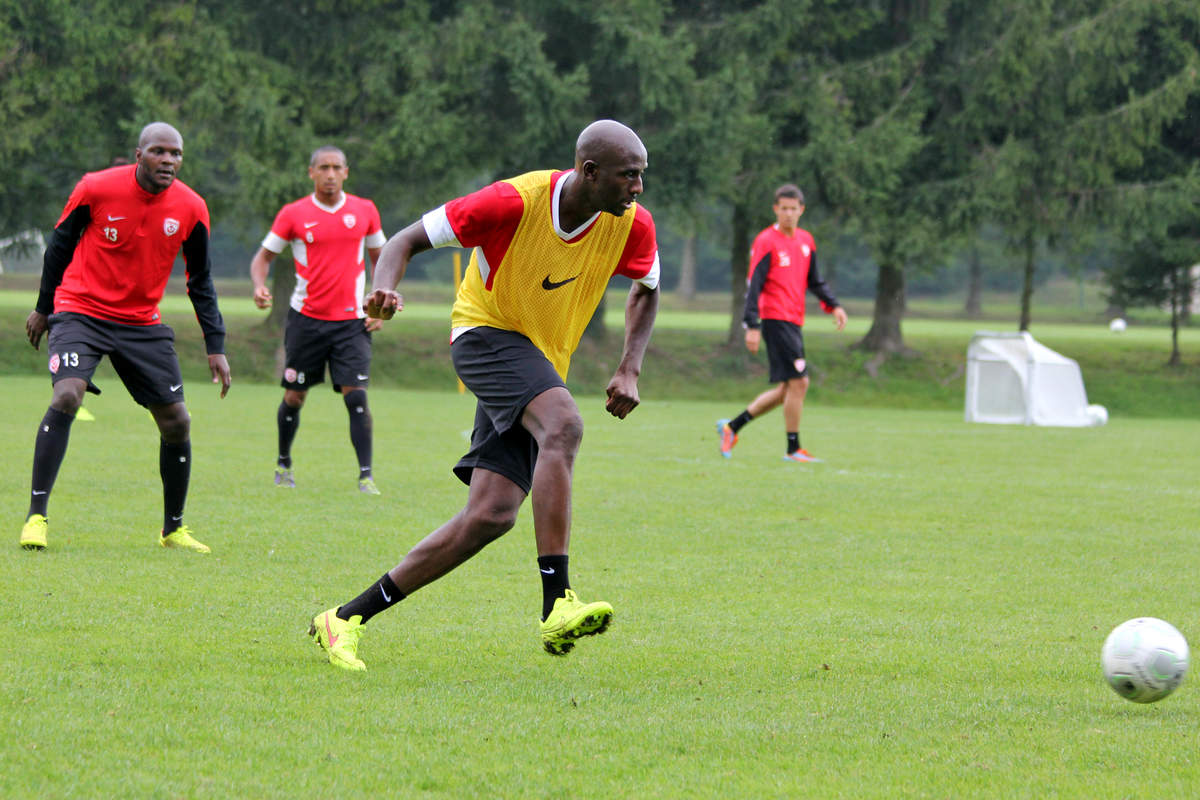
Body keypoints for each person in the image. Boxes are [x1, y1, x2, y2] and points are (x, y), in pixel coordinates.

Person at [307, 119, 661, 671]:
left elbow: (647, 289)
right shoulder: (510, 203)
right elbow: (405, 240)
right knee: (563, 425)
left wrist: (630, 368)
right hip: (482, 336)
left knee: (491, 514)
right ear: (589, 173)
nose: (638, 187)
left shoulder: (632, 225)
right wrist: (384, 286)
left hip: (539, 360)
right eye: (629, 176)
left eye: (642, 175)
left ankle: (344, 618)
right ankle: (558, 602)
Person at [20, 122, 232, 552]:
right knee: (67, 396)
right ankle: (36, 518)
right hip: (81, 309)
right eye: (159, 152)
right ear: (138, 154)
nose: (168, 161)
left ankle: (173, 530)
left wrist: (216, 345)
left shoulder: (191, 207)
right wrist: (44, 308)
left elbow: (201, 280)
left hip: (141, 323)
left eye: (176, 154)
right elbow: (59, 247)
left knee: (177, 421)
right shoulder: (96, 188)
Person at [250, 146, 388, 494]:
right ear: (311, 172)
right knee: (295, 396)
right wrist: (258, 285)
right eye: (323, 167)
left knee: (356, 396)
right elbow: (263, 258)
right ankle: (283, 465)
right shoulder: (293, 214)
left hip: (352, 322)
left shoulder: (365, 210)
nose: (330, 173)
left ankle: (366, 476)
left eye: (336, 167)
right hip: (306, 321)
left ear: (346, 172)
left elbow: (382, 260)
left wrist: (379, 303)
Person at [717, 183, 847, 463]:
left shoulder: (806, 241)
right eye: (783, 208)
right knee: (800, 383)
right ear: (776, 209)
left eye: (793, 208)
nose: (788, 213)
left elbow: (815, 280)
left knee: (786, 390)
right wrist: (751, 325)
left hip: (794, 320)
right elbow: (754, 286)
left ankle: (732, 427)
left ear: (802, 210)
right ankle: (792, 449)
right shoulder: (766, 241)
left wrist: (833, 305)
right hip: (775, 319)